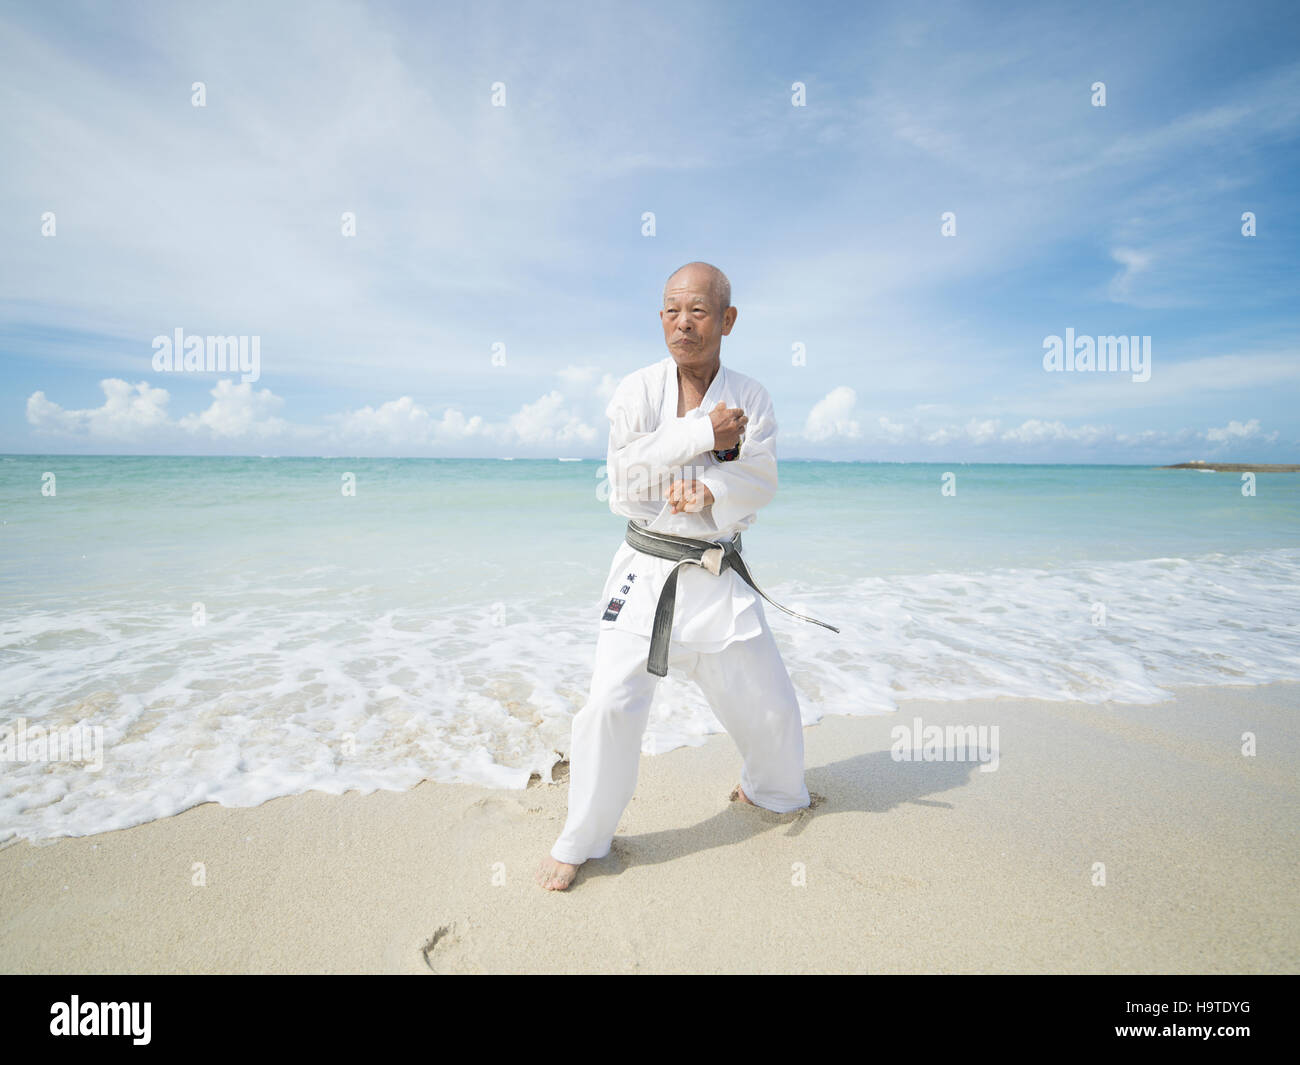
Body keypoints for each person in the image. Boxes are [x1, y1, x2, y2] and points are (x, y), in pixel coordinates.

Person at [536, 261, 824, 891]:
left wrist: (712, 489)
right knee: (608, 706)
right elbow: (623, 479)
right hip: (647, 573)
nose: (683, 323)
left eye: (698, 310)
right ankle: (583, 839)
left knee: (772, 709)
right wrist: (701, 431)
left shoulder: (752, 396)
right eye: (671, 310)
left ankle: (769, 792)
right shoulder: (636, 391)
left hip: (718, 572)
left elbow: (762, 477)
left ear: (728, 319)